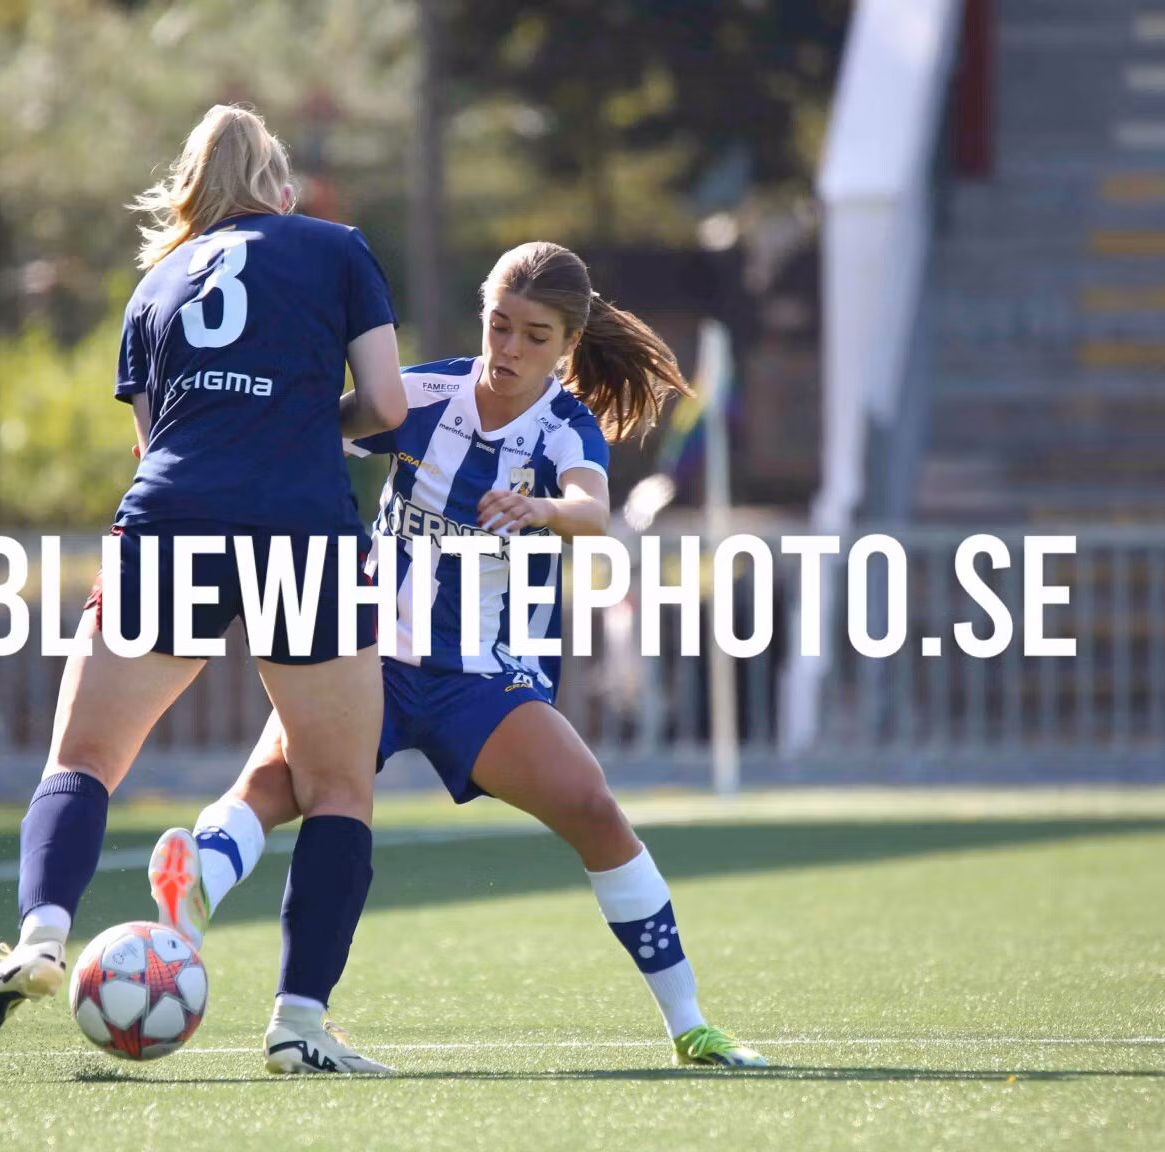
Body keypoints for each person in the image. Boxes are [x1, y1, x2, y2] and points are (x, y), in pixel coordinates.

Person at [146, 241, 768, 1069]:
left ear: (567, 346)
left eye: (534, 336)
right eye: (498, 325)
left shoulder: (564, 428)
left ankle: (689, 1023)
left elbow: (593, 510)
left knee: (593, 810)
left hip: (480, 680)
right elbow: (311, 430)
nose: (509, 349)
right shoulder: (422, 395)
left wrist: (540, 505)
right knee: (270, 787)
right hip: (363, 655)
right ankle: (194, 913)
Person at [0, 104, 407, 1076]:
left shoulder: (154, 284)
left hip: (171, 518)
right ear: (280, 188)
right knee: (335, 787)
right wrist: (300, 421)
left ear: (189, 196)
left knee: (82, 760)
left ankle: (39, 937)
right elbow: (388, 404)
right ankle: (298, 1024)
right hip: (300, 527)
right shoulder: (333, 247)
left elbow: (152, 444)